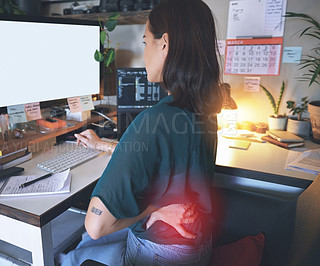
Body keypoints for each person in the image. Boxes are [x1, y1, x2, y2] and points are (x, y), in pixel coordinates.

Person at [62, 0, 223, 265]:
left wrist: (154, 209)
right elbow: (162, 157)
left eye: (146, 41)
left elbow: (96, 224)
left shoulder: (153, 121)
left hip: (159, 253)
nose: (144, 49)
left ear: (165, 44)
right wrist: (103, 145)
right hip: (198, 246)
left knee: (74, 252)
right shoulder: (207, 111)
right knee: (89, 243)